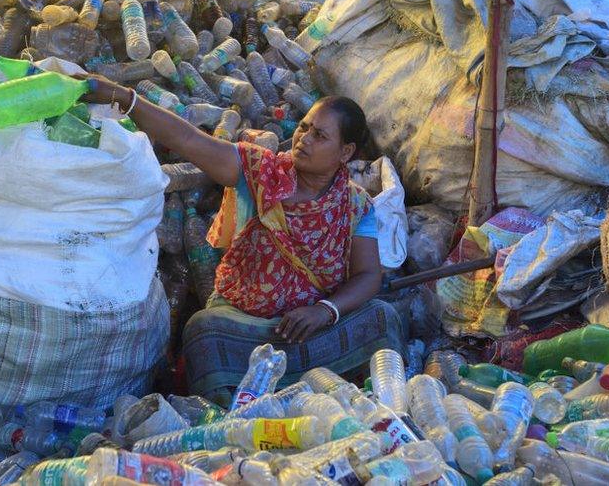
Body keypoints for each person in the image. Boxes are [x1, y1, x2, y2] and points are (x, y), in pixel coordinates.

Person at [80, 75, 406, 403]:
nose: (303, 139)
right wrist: (123, 96)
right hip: (245, 329)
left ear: (345, 152)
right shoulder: (259, 172)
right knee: (203, 331)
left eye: (319, 135)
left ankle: (367, 403)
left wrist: (325, 311)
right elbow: (187, 138)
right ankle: (230, 417)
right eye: (304, 127)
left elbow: (368, 275)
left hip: (310, 328)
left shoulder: (355, 205)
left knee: (381, 316)